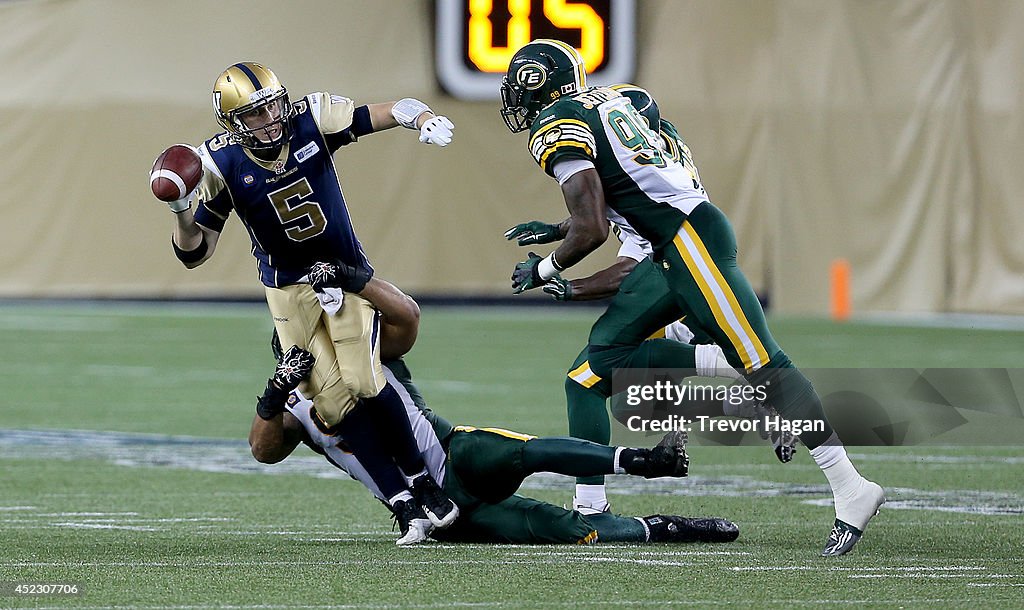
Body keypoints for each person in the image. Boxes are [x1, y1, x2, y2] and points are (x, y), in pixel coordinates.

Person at [499, 40, 884, 556]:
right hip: (673, 243)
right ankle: (595, 505)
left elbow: (593, 226)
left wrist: (547, 268)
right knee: (597, 365)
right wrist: (556, 229)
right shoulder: (622, 98)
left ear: (532, 84)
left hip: (687, 242)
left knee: (764, 362)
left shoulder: (556, 128)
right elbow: (623, 189)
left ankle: (850, 486)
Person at [151, 61, 458, 540]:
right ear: (232, 123)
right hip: (287, 291)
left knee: (364, 379)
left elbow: (379, 113)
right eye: (255, 113)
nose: (271, 119)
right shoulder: (221, 163)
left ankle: (424, 483)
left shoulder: (310, 118)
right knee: (333, 403)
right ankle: (404, 506)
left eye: (273, 105)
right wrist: (179, 209)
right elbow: (195, 252)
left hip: (342, 275)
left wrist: (420, 118)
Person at [248, 264, 739, 546]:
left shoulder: (366, 352)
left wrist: (357, 277)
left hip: (453, 454)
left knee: (526, 452)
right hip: (438, 515)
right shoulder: (294, 402)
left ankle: (643, 461)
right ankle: (661, 527)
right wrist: (272, 396)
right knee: (563, 530)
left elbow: (406, 316)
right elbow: (263, 450)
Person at [505, 84, 796, 517]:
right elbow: (605, 208)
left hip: (672, 260)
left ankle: (590, 505)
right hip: (692, 250)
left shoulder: (623, 168)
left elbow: (629, 261)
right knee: (649, 371)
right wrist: (557, 228)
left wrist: (566, 282)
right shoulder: (654, 154)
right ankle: (727, 395)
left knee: (590, 378)